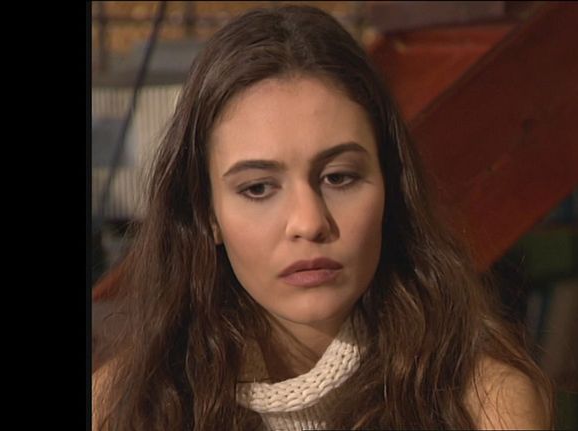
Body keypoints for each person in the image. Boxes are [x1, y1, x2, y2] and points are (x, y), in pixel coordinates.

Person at [92, 5, 554, 430]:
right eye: (258, 188)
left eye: (339, 177)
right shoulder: (122, 406)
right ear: (206, 213)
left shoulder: (485, 405)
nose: (308, 222)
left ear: (390, 188)